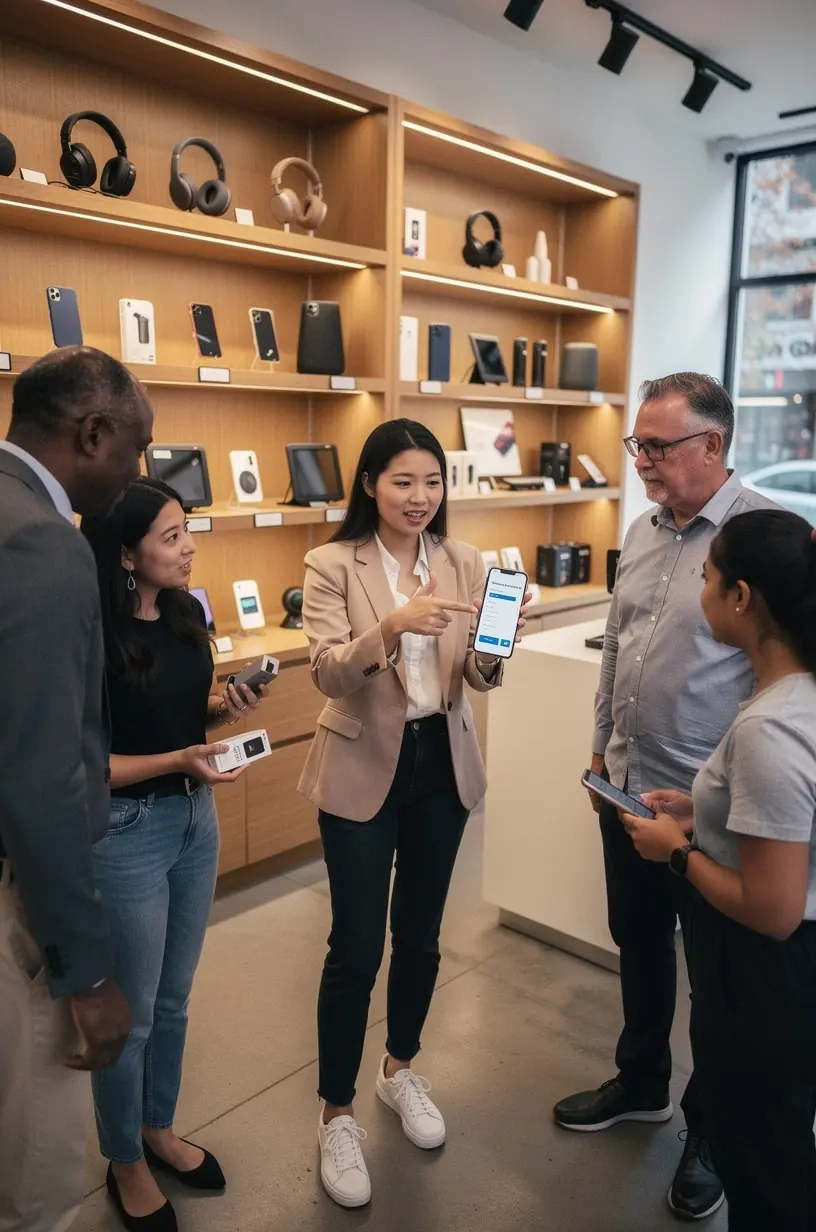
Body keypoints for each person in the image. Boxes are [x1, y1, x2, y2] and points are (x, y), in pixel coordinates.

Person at [553, 373, 777, 1222]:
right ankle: (642, 1078)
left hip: (711, 808)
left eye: (658, 445)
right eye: (637, 444)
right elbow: (619, 642)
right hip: (628, 787)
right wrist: (600, 742)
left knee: (716, 982)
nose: (641, 461)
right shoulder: (645, 531)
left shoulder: (763, 539)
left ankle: (709, 1131)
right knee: (638, 944)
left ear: (712, 447)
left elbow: (781, 675)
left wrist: (718, 792)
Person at [299, 419, 529, 1208]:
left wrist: (497, 648)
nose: (420, 497)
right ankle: (336, 1113)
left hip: (441, 764)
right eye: (403, 481)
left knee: (423, 938)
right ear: (370, 484)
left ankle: (399, 1069)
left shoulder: (467, 561)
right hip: (363, 764)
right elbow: (329, 674)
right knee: (356, 947)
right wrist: (392, 626)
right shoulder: (331, 563)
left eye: (432, 482)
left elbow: (476, 675)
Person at [81, 477, 270, 1232]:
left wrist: (224, 705)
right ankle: (124, 1158)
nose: (188, 545)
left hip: (197, 820)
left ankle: (160, 1127)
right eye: (169, 536)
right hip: (126, 831)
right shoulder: (93, 633)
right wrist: (177, 760)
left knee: (173, 999)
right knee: (129, 1018)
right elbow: (87, 765)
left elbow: (180, 709)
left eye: (186, 529)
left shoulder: (189, 612)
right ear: (126, 555)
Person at [623, 510, 816, 1232]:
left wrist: (675, 849)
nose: (697, 592)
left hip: (765, 974)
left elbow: (772, 906)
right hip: (781, 977)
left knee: (763, 1169)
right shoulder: (790, 702)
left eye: (706, 579)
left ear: (740, 598)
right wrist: (703, 810)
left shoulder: (771, 727)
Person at [0, 347, 153, 1232]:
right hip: (20, 900)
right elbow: (42, 776)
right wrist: (87, 974)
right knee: (38, 1175)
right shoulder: (43, 545)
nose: (136, 473)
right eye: (133, 450)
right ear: (91, 432)